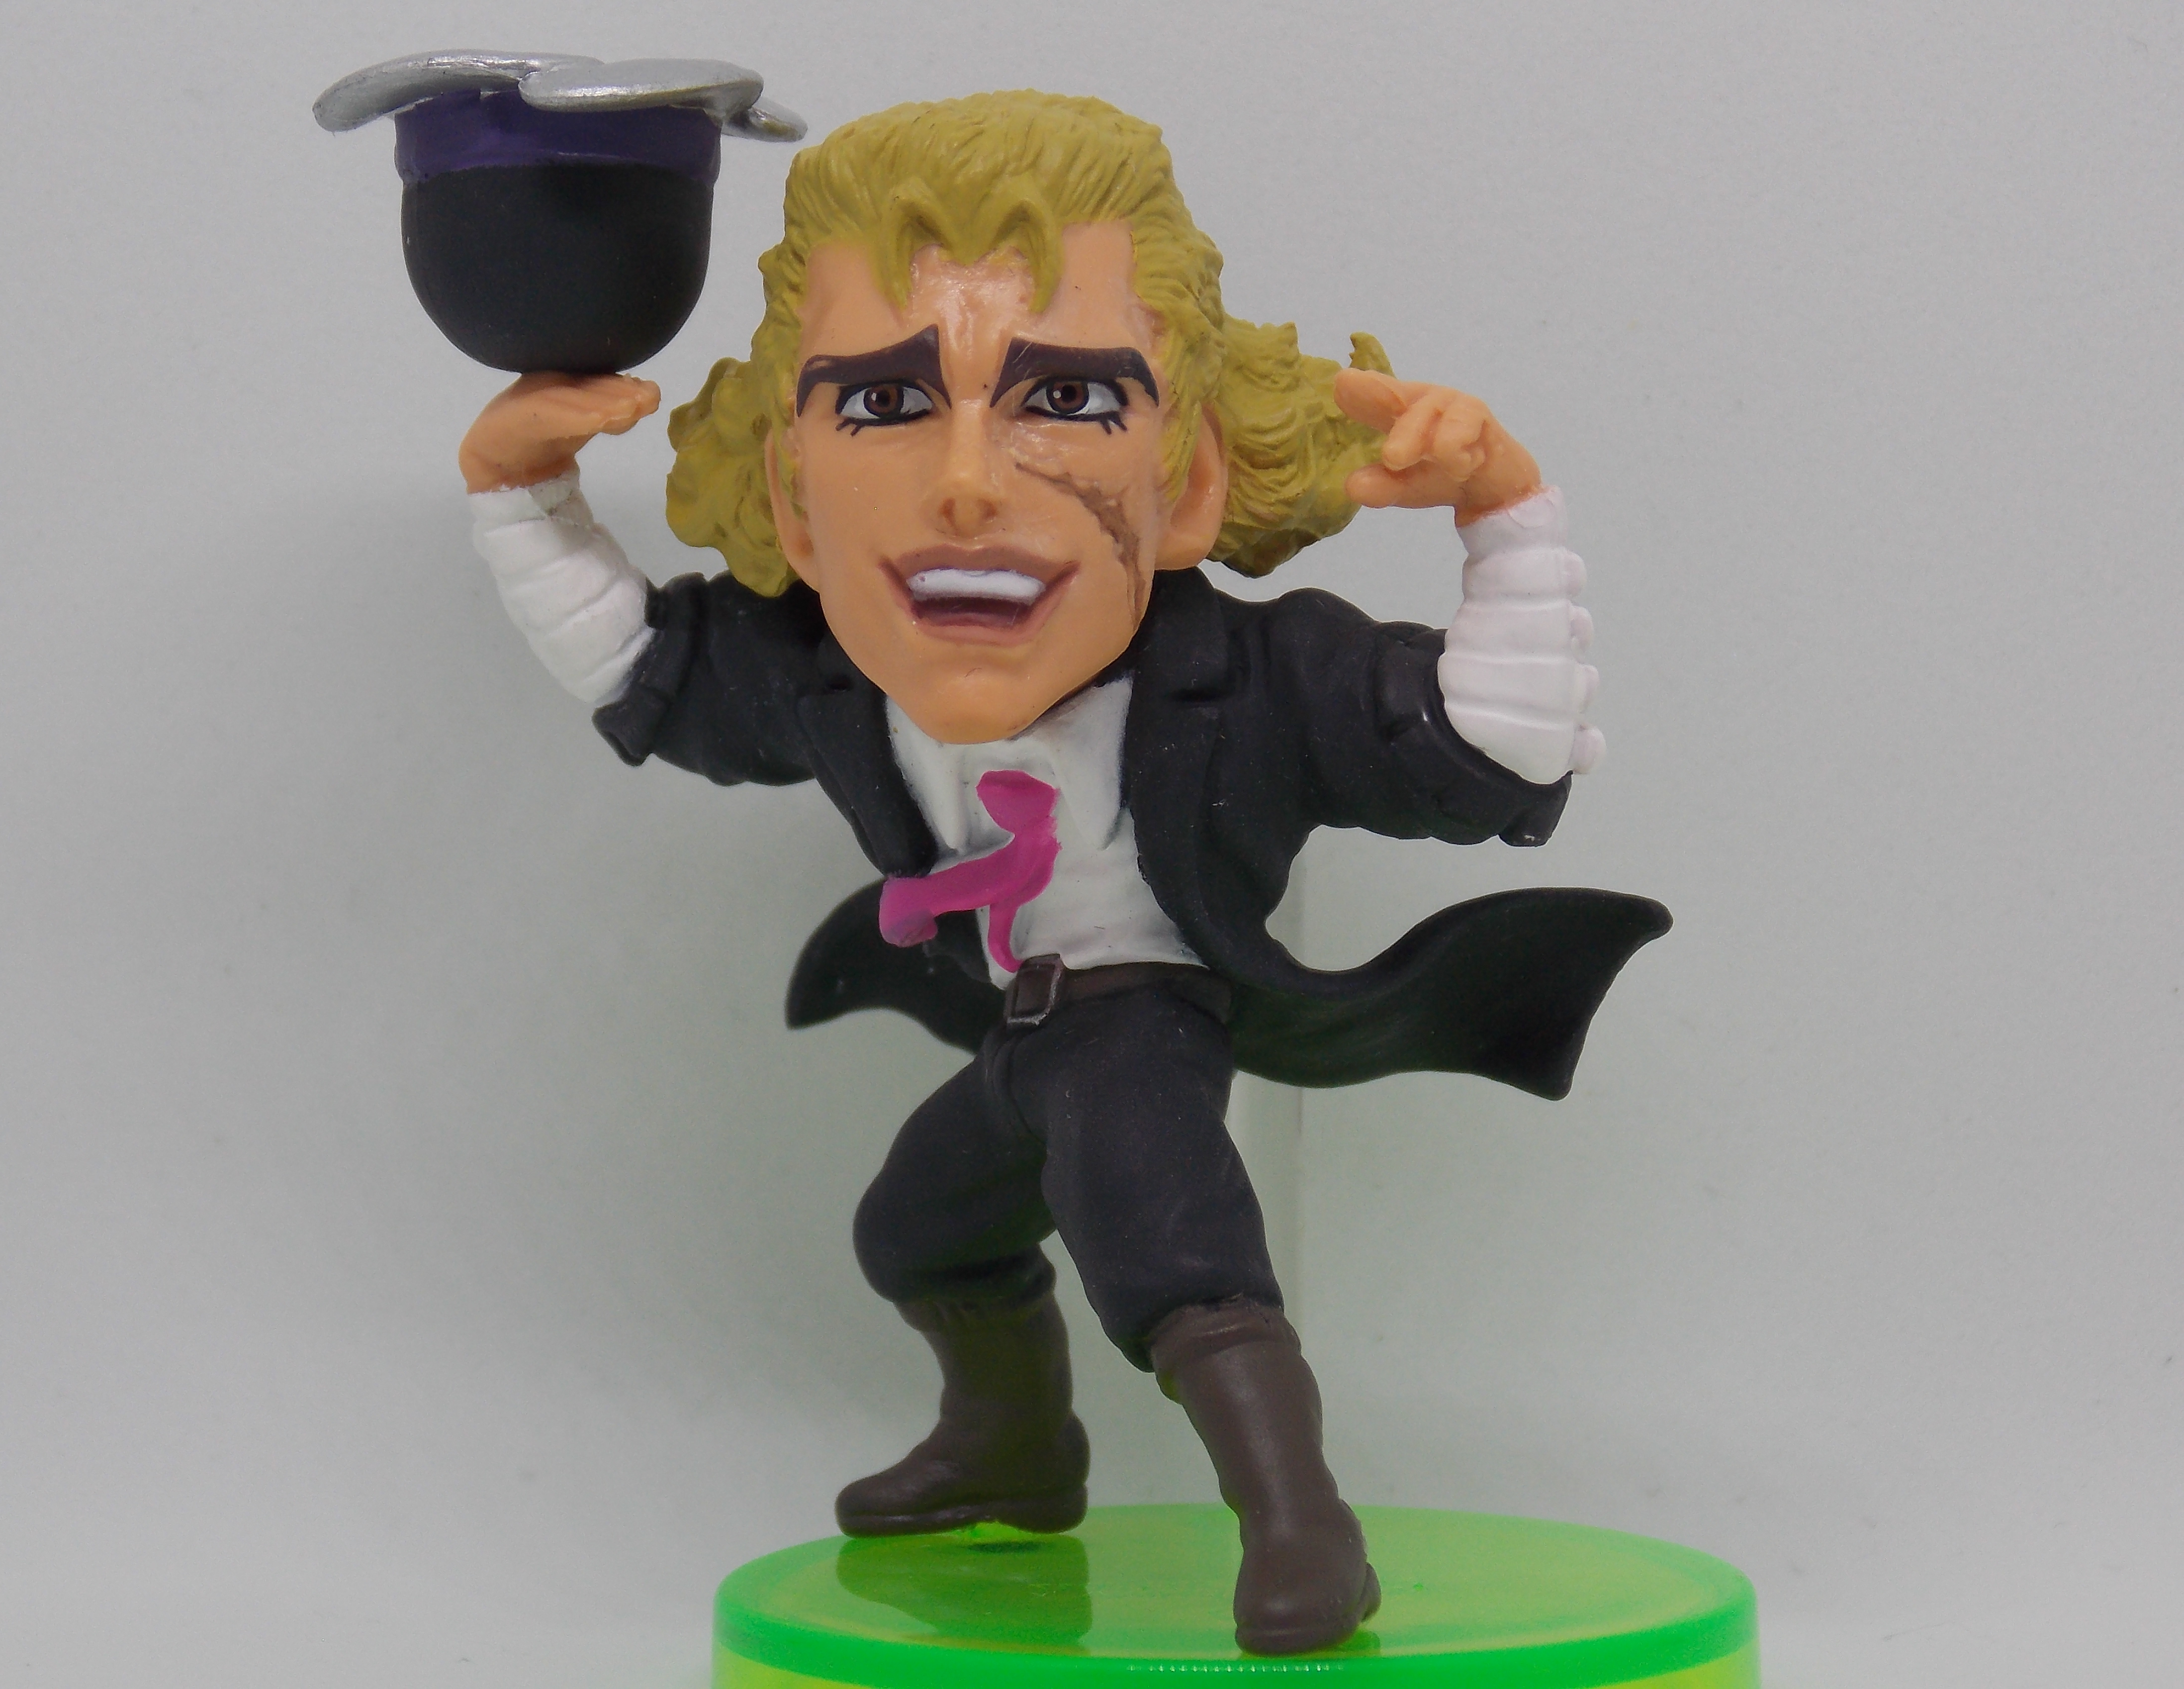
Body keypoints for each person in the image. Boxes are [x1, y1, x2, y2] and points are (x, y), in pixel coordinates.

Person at [452, 91, 1663, 1656]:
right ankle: (1017, 1451)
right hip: (1020, 1024)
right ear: (793, 499)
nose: (967, 483)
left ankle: (1303, 1525)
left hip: (1145, 1011)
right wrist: (519, 490)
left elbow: (1492, 750)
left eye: (1070, 397)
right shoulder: (829, 679)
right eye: (885, 402)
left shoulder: (1253, 681)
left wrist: (1505, 507)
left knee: (1164, 1242)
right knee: (919, 1231)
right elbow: (646, 673)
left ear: (1193, 481)